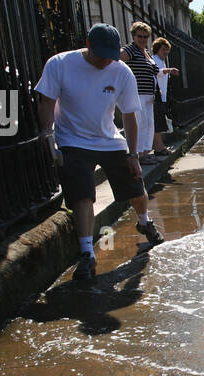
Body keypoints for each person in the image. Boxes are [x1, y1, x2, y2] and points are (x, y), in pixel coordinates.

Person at [36, 22, 165, 282]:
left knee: (135, 186)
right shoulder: (60, 64)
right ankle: (86, 253)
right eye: (101, 56)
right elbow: (47, 101)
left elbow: (129, 116)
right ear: (88, 45)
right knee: (83, 196)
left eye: (111, 57)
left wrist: (132, 154)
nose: (106, 62)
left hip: (109, 140)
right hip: (72, 140)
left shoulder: (121, 71)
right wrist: (47, 136)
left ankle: (144, 221)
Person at [120, 21, 170, 163]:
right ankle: (139, 154)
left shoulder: (146, 52)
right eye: (140, 36)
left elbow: (155, 71)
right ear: (133, 36)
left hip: (149, 95)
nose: (143, 39)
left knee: (149, 124)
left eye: (145, 36)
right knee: (140, 124)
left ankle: (146, 152)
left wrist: (168, 70)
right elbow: (116, 60)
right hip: (137, 93)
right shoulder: (130, 50)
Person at [150, 36, 179, 141]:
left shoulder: (161, 61)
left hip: (161, 96)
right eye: (163, 49)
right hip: (156, 96)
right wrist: (169, 70)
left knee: (160, 120)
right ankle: (158, 145)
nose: (166, 52)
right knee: (157, 121)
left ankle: (159, 143)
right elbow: (157, 72)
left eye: (167, 49)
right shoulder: (154, 60)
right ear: (157, 49)